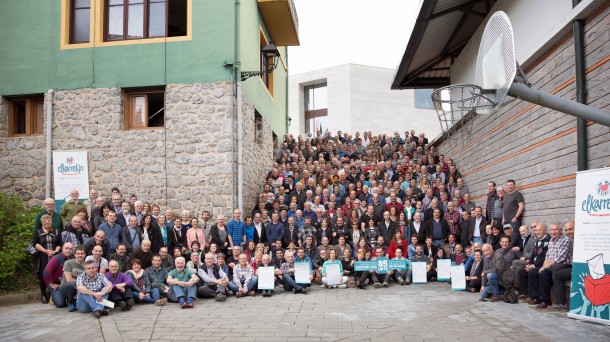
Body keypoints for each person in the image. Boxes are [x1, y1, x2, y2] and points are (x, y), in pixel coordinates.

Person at [527, 222, 572, 309]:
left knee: (543, 273)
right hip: (551, 265)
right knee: (533, 272)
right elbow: (547, 256)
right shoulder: (551, 240)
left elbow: (560, 258)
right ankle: (536, 297)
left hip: (563, 265)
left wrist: (544, 268)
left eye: (556, 229)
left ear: (560, 230)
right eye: (552, 230)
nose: (553, 232)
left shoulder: (565, 240)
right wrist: (543, 266)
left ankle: (546, 301)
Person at [33, 214, 62, 304]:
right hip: (43, 257)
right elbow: (35, 244)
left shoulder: (57, 231)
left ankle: (51, 294)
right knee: (42, 276)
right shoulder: (37, 232)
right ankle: (43, 294)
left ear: (51, 221)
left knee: (55, 274)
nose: (47, 222)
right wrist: (46, 251)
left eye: (49, 220)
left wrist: (55, 251)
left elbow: (60, 243)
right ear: (41, 222)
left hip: (54, 256)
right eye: (45, 221)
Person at [517, 223, 550, 298]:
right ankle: (524, 293)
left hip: (543, 264)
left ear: (544, 230)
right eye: (536, 230)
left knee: (532, 272)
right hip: (535, 264)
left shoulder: (548, 241)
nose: (537, 232)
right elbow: (533, 255)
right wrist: (529, 264)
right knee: (522, 271)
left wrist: (533, 265)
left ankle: (534, 296)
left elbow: (544, 257)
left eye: (539, 230)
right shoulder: (537, 240)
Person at [550, 220, 574, 311]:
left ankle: (561, 303)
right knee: (555, 271)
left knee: (556, 273)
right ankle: (558, 301)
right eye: (566, 230)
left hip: (578, 267)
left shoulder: (579, 239)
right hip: (572, 266)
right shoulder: (570, 240)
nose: (568, 232)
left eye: (571, 229)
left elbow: (561, 258)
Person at [43, 242, 74, 308]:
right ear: (62, 249)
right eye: (66, 248)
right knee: (60, 304)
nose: (68, 250)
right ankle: (53, 296)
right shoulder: (56, 259)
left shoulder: (74, 258)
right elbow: (46, 272)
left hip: (67, 283)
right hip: (56, 284)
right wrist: (51, 285)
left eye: (70, 249)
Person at [61, 246, 86, 311]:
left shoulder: (86, 265)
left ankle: (77, 300)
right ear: (74, 254)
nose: (80, 255)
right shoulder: (68, 263)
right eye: (78, 253)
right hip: (67, 286)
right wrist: (81, 284)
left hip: (79, 287)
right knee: (72, 284)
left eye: (82, 253)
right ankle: (71, 302)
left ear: (85, 254)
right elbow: (69, 279)